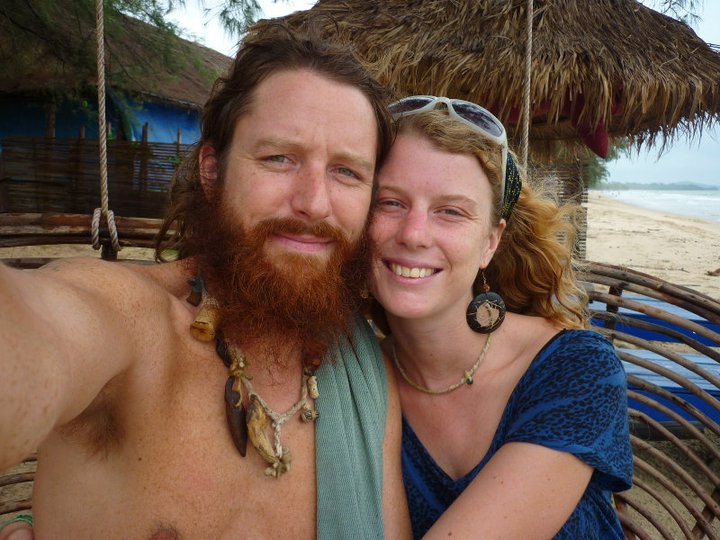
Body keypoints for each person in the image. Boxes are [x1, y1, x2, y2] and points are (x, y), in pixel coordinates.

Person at [0, 21, 411, 539]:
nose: (314, 202)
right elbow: (34, 335)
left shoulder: (367, 378)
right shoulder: (132, 323)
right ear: (212, 171)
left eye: (347, 172)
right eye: (279, 158)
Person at [367, 96, 633, 539]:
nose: (413, 234)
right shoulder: (354, 379)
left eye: (450, 211)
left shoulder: (576, 369)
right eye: (390, 202)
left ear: (490, 242)